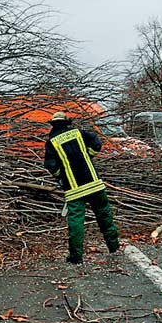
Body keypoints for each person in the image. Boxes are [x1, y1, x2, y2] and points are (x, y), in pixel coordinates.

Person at [43, 112, 120, 264]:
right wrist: (88, 156)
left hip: (74, 188)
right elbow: (97, 144)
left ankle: (76, 257)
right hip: (94, 183)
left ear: (53, 124)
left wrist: (61, 177)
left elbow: (51, 165)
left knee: (76, 222)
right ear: (66, 122)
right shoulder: (79, 133)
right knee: (104, 215)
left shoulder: (52, 142)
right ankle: (113, 246)